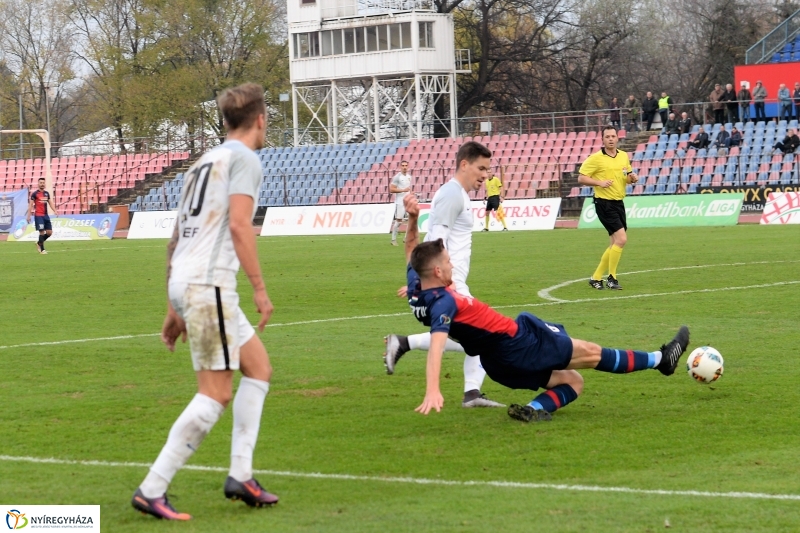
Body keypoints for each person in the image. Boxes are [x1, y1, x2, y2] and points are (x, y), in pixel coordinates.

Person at [399, 192, 691, 421]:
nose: (453, 265)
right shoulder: (444, 302)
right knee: (590, 352)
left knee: (573, 383)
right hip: (518, 344)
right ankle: (660, 360)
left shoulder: (417, 286)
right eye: (448, 263)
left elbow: (412, 249)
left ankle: (532, 410)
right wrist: (432, 389)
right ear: (436, 272)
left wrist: (413, 218)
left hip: (497, 362)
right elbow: (437, 344)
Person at [131, 83, 279, 521]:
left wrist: (173, 303)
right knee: (215, 394)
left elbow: (176, 236)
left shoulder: (202, 163)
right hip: (210, 284)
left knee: (259, 367)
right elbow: (239, 225)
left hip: (188, 281)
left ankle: (241, 475)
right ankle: (152, 487)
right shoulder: (245, 158)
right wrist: (259, 287)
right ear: (260, 119)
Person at [383, 141, 504, 409]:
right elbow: (436, 240)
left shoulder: (457, 194)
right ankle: (469, 393)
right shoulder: (452, 195)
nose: (485, 175)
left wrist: (417, 280)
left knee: (473, 338)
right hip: (450, 283)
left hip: (449, 281)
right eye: (481, 168)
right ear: (464, 164)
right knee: (487, 335)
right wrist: (426, 282)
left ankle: (404, 344)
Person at [577, 126, 638, 291]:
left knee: (614, 243)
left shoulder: (624, 156)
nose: (610, 139)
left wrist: (632, 179)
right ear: (602, 140)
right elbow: (581, 178)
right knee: (622, 239)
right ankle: (612, 278)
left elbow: (626, 177)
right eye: (607, 136)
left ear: (617, 138)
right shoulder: (596, 158)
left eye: (613, 136)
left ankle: (596, 278)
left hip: (618, 202)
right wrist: (599, 183)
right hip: (604, 203)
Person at [28, 177, 58, 254]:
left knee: (49, 233)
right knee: (41, 232)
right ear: (38, 184)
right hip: (38, 216)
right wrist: (28, 216)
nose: (42, 184)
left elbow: (50, 202)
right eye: (40, 183)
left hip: (46, 216)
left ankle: (39, 243)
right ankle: (42, 249)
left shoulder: (46, 193)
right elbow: (30, 205)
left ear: (45, 184)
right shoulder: (35, 194)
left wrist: (55, 210)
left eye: (43, 183)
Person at [389, 160, 412, 246]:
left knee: (411, 219)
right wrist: (403, 190)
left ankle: (406, 238)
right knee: (399, 221)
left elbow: (408, 188)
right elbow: (391, 189)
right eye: (403, 165)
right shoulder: (397, 177)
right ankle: (393, 239)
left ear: (408, 166)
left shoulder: (409, 176)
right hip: (400, 202)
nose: (404, 167)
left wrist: (411, 193)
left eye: (406, 165)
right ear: (400, 167)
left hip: (408, 200)